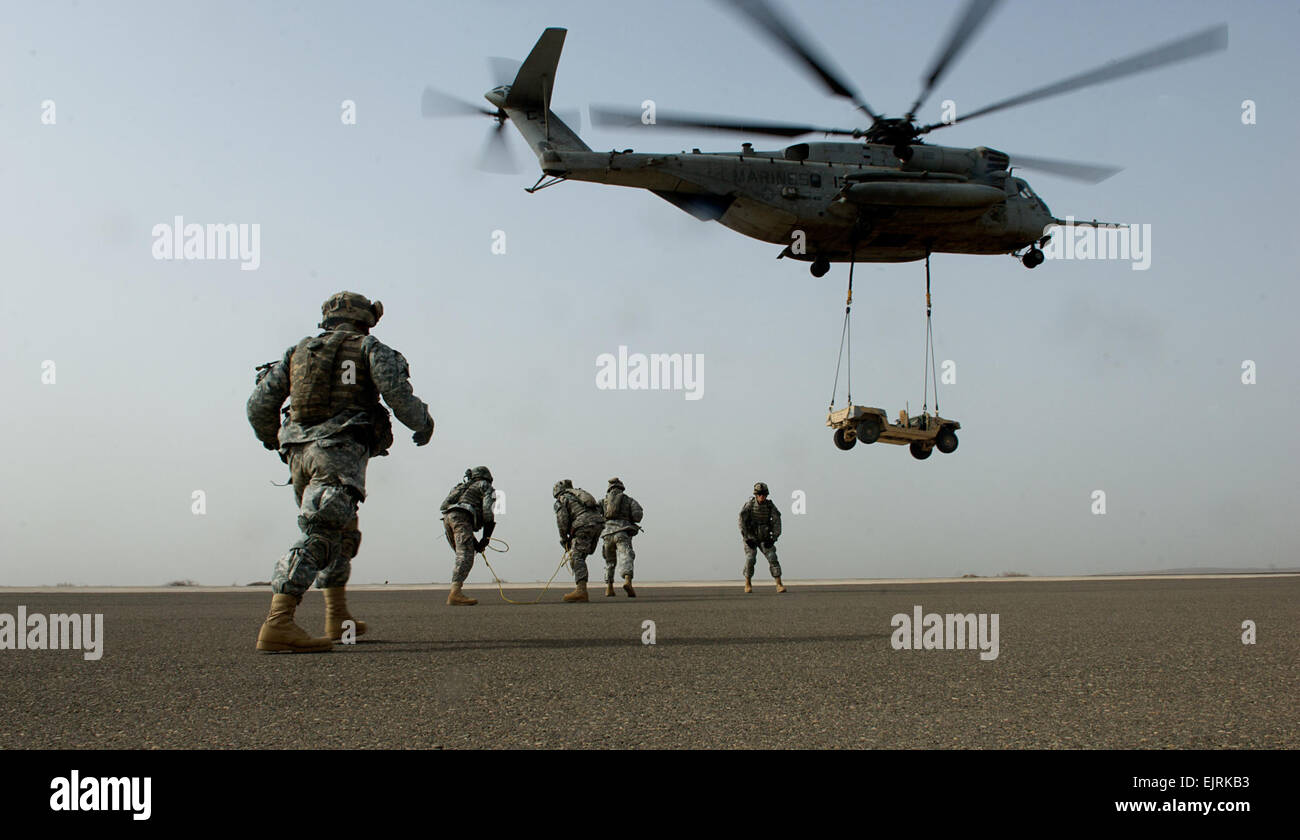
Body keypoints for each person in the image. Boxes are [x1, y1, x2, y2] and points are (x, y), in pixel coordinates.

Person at [247, 291, 435, 651]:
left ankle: (337, 617)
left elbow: (259, 405)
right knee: (322, 531)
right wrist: (423, 423)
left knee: (343, 533)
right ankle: (278, 622)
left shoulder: (298, 352)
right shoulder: (369, 348)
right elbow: (397, 394)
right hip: (338, 452)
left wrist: (277, 441)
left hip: (299, 453)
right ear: (365, 318)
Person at [440, 466, 497, 606]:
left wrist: (475, 541)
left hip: (448, 518)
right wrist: (486, 537)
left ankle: (455, 591)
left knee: (463, 553)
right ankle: (455, 594)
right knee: (465, 555)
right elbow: (488, 512)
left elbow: (444, 505)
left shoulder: (462, 486)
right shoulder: (485, 486)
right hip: (462, 518)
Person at [553, 480, 605, 603]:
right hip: (598, 523)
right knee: (582, 554)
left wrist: (564, 538)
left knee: (576, 556)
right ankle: (581, 587)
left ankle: (581, 591)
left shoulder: (563, 498)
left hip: (584, 524)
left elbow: (562, 520)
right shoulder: (579, 495)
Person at [739, 482, 786, 594]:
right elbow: (742, 522)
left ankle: (779, 584)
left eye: (764, 494)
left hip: (765, 538)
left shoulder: (770, 506)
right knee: (750, 558)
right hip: (751, 537)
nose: (762, 497)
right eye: (759, 494)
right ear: (756, 495)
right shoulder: (749, 505)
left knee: (772, 557)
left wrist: (773, 537)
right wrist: (747, 537)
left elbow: (777, 522)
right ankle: (747, 583)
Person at [600, 477, 643, 597]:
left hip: (607, 534)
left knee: (609, 561)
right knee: (626, 556)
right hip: (622, 532)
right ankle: (627, 581)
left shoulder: (603, 502)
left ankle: (609, 588)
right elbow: (637, 516)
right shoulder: (629, 500)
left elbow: (595, 516)